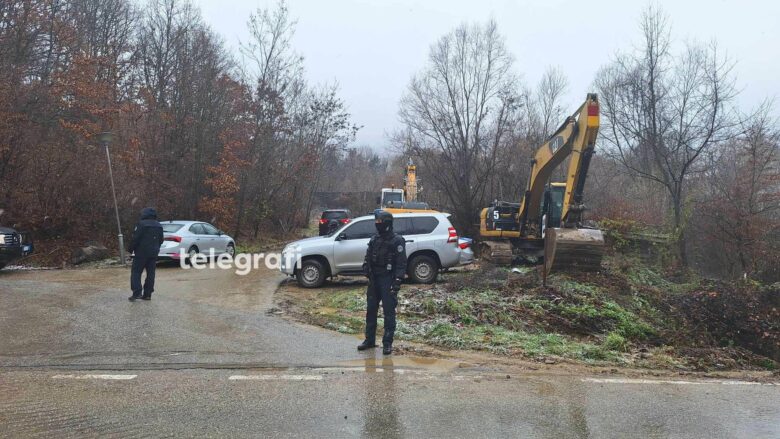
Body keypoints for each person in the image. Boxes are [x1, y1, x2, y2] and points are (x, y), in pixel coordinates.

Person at [358, 210, 406, 355]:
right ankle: (369, 340)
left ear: (386, 223)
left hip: (388, 279)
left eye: (379, 222)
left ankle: (387, 343)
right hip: (374, 280)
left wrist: (397, 281)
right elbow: (367, 257)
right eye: (376, 222)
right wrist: (366, 268)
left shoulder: (397, 240)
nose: (377, 225)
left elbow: (401, 263)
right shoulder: (375, 239)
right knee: (371, 310)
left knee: (389, 313)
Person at [128, 207, 164, 301]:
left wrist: (130, 250)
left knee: (136, 272)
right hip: (154, 253)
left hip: (141, 252)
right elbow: (161, 240)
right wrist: (157, 248)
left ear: (144, 214)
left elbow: (135, 238)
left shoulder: (141, 224)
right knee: (151, 273)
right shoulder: (159, 225)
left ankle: (137, 292)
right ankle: (148, 294)